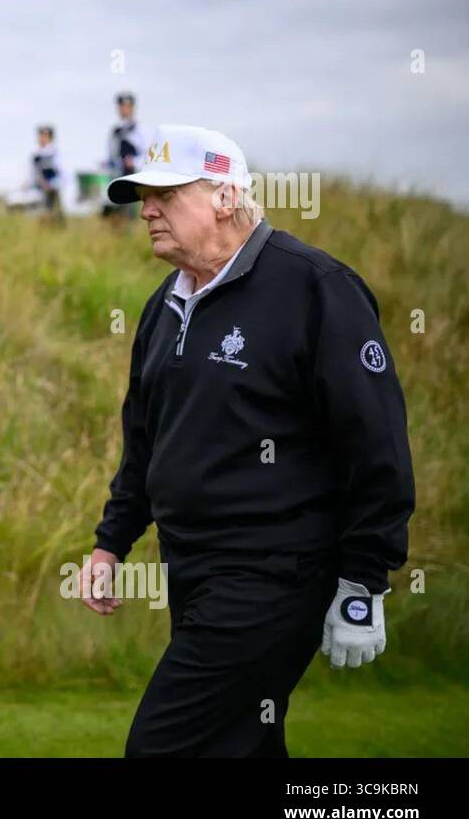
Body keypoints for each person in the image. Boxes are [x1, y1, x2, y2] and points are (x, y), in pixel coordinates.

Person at [82, 124, 414, 757]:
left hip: (275, 572)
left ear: (226, 197)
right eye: (143, 197)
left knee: (163, 748)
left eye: (167, 194)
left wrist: (364, 579)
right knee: (243, 746)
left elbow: (376, 445)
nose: (147, 210)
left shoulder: (314, 287)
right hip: (193, 571)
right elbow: (145, 443)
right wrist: (111, 543)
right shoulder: (163, 307)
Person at [103, 91, 148, 222]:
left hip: (132, 175)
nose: (124, 109)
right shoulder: (115, 130)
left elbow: (147, 153)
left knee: (129, 210)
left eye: (127, 106)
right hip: (116, 174)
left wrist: (134, 162)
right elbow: (112, 154)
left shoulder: (140, 129)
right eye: (121, 106)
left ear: (133, 108)